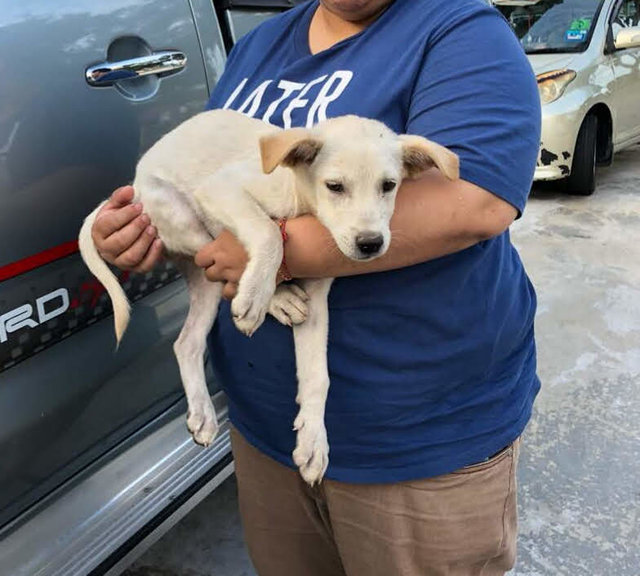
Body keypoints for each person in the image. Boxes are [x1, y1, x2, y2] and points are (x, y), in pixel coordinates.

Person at [92, 0, 541, 574]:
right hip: (265, 430)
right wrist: (144, 230)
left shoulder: (457, 27)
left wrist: (275, 252)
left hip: (414, 445)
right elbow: (217, 190)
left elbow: (476, 201)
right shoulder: (260, 45)